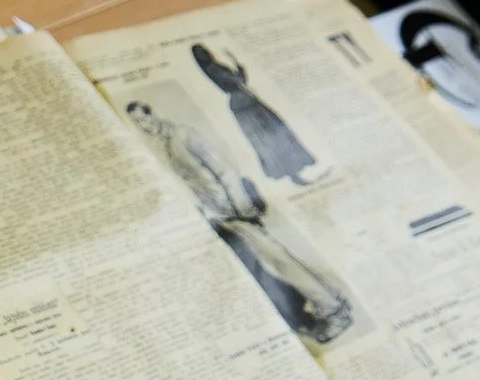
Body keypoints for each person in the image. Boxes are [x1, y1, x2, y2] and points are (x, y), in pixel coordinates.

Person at [124, 101, 352, 344]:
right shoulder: (163, 144)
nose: (143, 126)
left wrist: (242, 209)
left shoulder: (185, 134)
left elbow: (226, 171)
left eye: (143, 119)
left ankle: (334, 312)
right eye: (137, 123)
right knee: (273, 263)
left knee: (280, 261)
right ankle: (334, 304)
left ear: (152, 114)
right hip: (220, 216)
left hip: (234, 210)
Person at [191, 43, 319, 184]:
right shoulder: (213, 67)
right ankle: (293, 173)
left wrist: (237, 68)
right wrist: (236, 64)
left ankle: (293, 173)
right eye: (203, 50)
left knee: (270, 136)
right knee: (271, 136)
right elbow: (240, 80)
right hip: (243, 101)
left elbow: (240, 80)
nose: (208, 51)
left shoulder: (212, 67)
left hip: (241, 101)